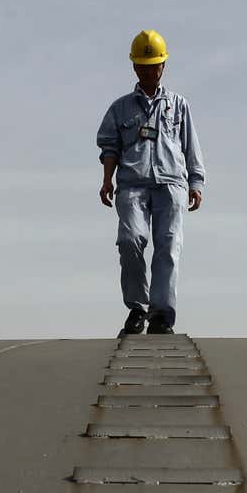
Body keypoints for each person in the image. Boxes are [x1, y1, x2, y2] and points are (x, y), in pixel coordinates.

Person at [96, 29, 205, 337]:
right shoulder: (120, 108)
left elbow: (190, 146)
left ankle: (161, 315)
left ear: (163, 66)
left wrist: (196, 182)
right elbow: (109, 147)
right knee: (130, 241)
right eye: (142, 65)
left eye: (153, 64)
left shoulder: (178, 105)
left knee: (168, 246)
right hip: (132, 185)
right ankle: (137, 309)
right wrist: (107, 180)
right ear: (134, 67)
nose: (148, 70)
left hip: (171, 184)